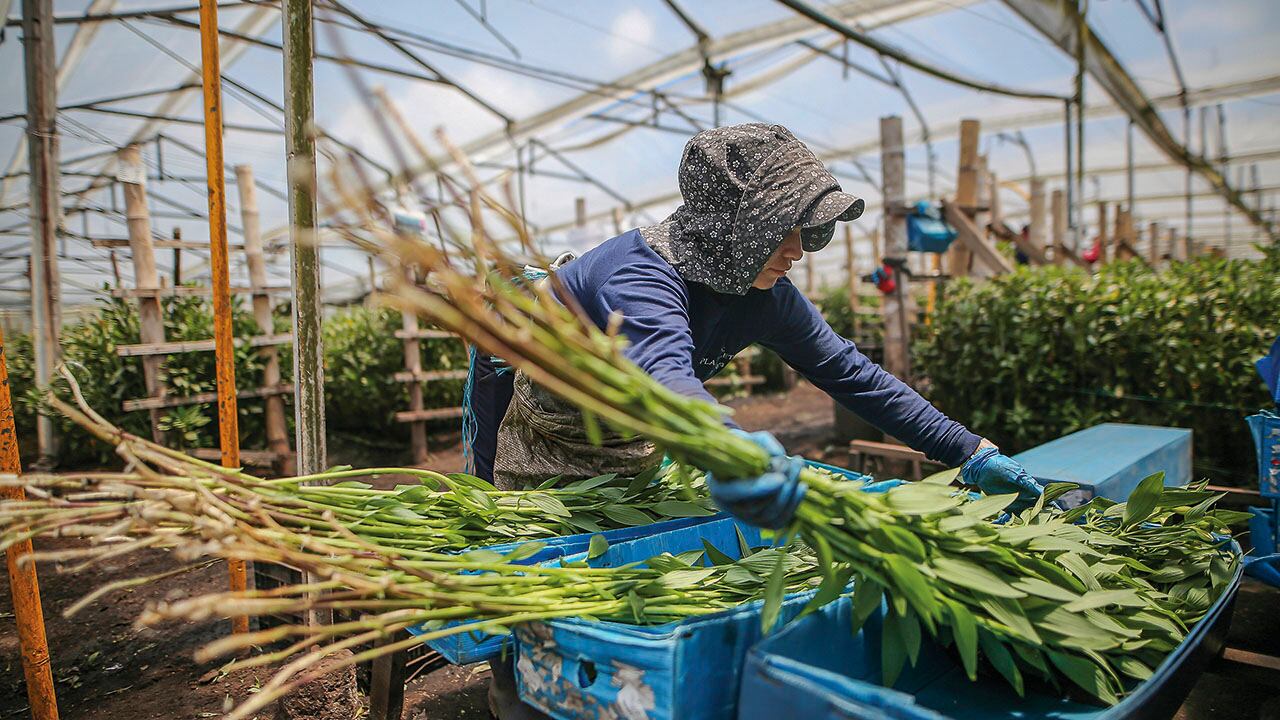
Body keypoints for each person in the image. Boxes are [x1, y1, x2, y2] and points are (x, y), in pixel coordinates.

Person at [465, 123, 1043, 718]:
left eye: (807, 230)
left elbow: (852, 373)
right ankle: (516, 684)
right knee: (543, 558)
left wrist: (968, 450)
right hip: (552, 435)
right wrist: (739, 453)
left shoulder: (765, 293)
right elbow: (671, 382)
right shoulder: (637, 277)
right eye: (784, 228)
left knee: (625, 556)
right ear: (733, 226)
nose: (797, 247)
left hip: (637, 436)